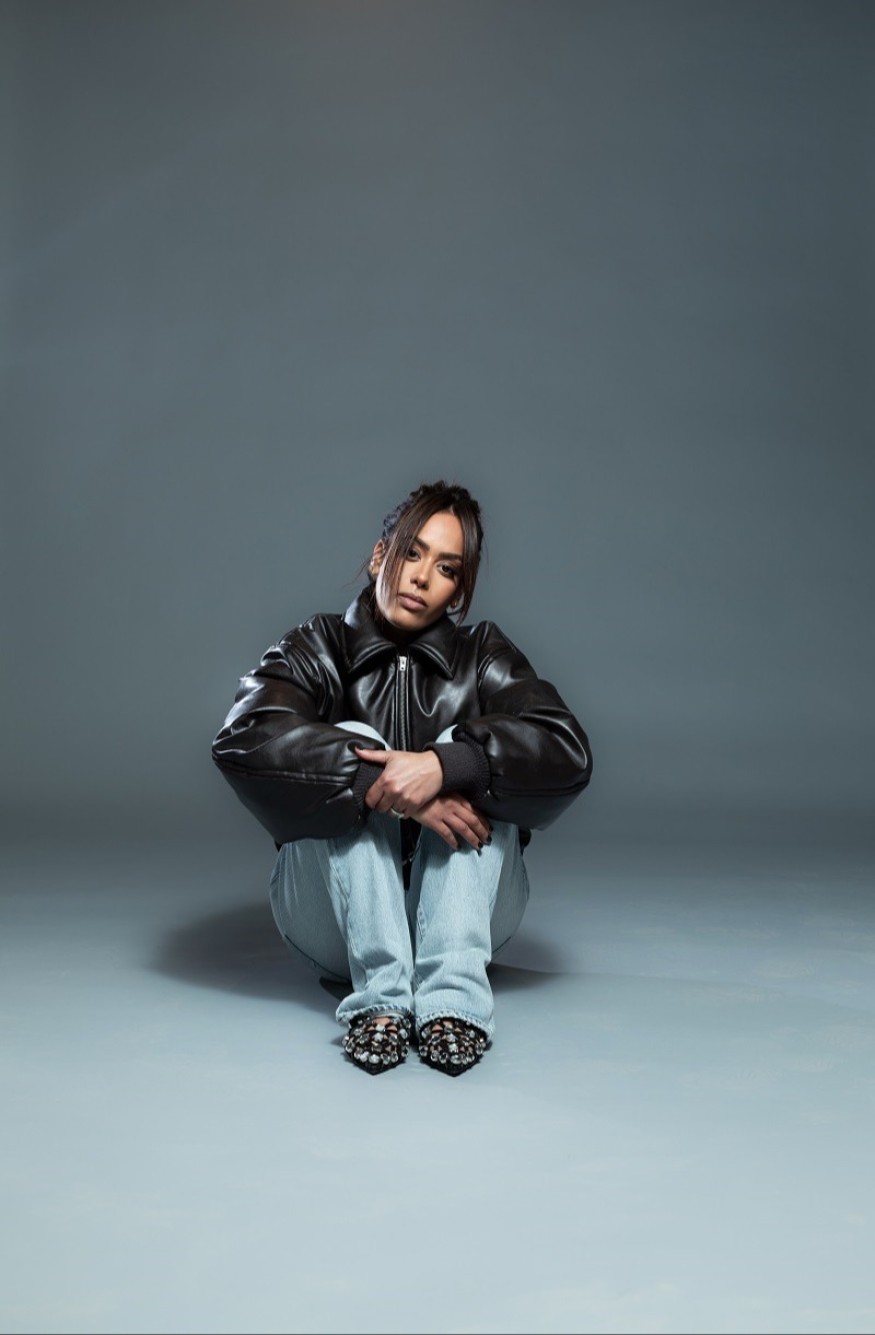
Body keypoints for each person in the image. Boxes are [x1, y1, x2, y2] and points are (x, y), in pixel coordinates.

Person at [211, 480, 592, 1076]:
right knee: (353, 741)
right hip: (334, 927)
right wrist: (387, 789)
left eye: (446, 568)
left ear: (457, 589)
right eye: (411, 553)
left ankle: (453, 1001)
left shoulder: (484, 655)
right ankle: (381, 1000)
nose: (421, 577)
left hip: (470, 920)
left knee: (469, 747)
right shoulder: (317, 646)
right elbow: (244, 737)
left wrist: (447, 767)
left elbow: (565, 749)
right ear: (379, 556)